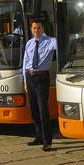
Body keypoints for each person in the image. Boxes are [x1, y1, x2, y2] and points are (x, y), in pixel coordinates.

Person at [22, 17, 57, 151]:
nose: (36, 30)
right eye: (34, 28)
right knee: (34, 109)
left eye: (39, 28)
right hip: (30, 77)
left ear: (43, 29)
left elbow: (63, 46)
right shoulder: (29, 43)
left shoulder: (51, 41)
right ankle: (38, 136)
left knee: (43, 109)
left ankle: (47, 140)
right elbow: (25, 62)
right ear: (31, 30)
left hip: (42, 78)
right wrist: (25, 81)